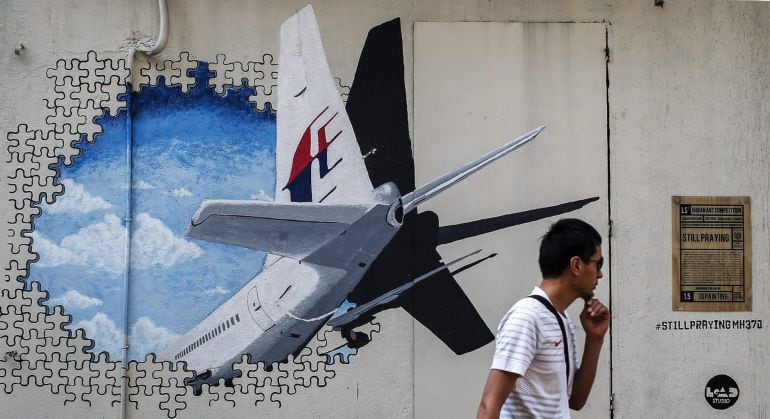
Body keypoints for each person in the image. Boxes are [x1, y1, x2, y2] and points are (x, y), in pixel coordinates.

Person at [477, 218, 610, 419]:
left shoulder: (559, 318)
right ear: (576, 265)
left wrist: (595, 338)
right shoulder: (527, 317)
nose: (600, 274)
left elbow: (575, 400)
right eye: (598, 263)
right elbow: (488, 407)